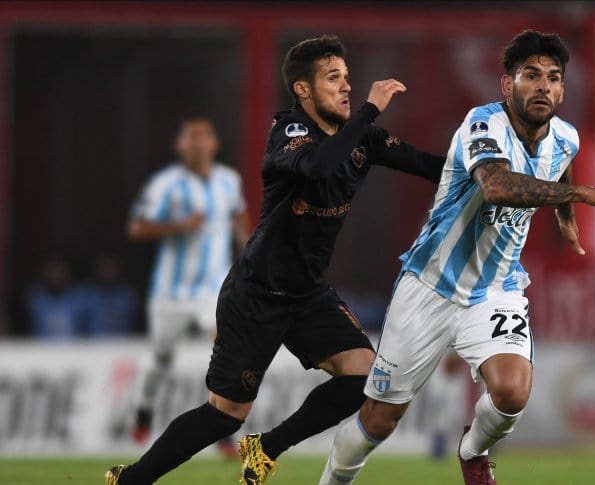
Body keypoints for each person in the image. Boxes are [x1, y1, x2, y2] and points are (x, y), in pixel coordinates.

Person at [105, 34, 444, 485]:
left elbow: (433, 165)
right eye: (333, 78)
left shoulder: (364, 137)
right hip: (256, 295)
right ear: (303, 90)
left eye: (347, 76)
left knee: (361, 375)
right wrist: (369, 110)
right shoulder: (289, 132)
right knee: (225, 414)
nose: (347, 86)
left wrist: (492, 164)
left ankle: (266, 447)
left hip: (308, 294)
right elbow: (319, 168)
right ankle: (131, 480)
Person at [319, 30, 595, 485]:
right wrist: (585, 195)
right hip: (430, 285)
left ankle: (472, 451)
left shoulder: (566, 137)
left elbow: (562, 162)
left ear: (563, 90)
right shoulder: (482, 124)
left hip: (496, 289)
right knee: (379, 420)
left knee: (512, 392)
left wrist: (566, 218)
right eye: (531, 75)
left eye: (553, 78)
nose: (543, 86)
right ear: (507, 84)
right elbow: (496, 186)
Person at [125, 116, 250, 455]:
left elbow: (238, 219)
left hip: (214, 287)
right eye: (191, 138)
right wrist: (178, 226)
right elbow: (136, 227)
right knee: (160, 359)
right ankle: (144, 407)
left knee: (225, 347)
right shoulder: (165, 184)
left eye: (203, 137)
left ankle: (222, 425)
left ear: (215, 144)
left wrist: (251, 254)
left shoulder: (229, 181)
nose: (198, 144)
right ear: (179, 146)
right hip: (171, 291)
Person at [26, 256, 86, 339]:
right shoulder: (35, 298)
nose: (55, 276)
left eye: (59, 272)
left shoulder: (79, 298)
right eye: (51, 272)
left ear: (67, 274)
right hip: (40, 346)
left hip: (73, 346)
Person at [79, 254, 138, 337]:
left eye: (110, 268)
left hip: (124, 342)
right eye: (104, 268)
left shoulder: (128, 294)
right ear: (96, 270)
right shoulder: (86, 294)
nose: (107, 272)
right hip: (93, 342)